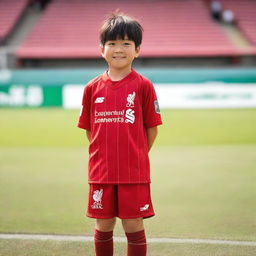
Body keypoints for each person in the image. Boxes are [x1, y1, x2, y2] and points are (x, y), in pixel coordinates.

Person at [77, 12, 162, 256]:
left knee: (134, 224)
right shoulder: (92, 88)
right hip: (101, 172)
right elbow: (91, 131)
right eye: (112, 43)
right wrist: (106, 154)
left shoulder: (143, 86)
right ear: (101, 49)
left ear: (137, 50)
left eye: (126, 43)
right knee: (103, 225)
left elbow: (151, 129)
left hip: (133, 173)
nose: (118, 49)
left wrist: (133, 154)